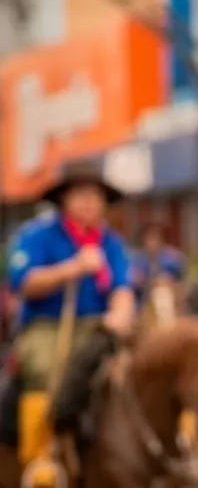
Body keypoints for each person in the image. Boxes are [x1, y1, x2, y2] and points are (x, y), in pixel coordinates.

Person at [7, 163, 135, 466]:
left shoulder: (111, 243)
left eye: (96, 195)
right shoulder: (38, 235)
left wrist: (121, 314)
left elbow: (122, 288)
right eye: (81, 194)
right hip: (49, 326)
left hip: (98, 325)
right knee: (47, 373)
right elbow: (23, 282)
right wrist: (73, 268)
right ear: (64, 200)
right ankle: (41, 459)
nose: (90, 202)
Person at [129, 223, 185, 306]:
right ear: (143, 241)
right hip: (144, 301)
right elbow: (133, 281)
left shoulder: (172, 257)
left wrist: (166, 280)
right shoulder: (138, 260)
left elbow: (179, 277)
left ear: (161, 240)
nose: (152, 243)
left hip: (168, 297)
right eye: (149, 239)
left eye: (155, 239)